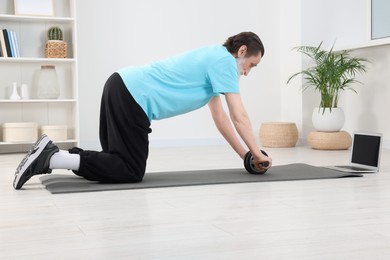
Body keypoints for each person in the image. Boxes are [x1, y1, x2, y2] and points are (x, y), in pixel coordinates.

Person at [13, 31, 273, 190]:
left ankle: (52, 155)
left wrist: (246, 157)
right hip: (132, 96)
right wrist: (257, 152)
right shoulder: (224, 62)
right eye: (250, 64)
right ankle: (52, 158)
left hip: (121, 85)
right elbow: (240, 116)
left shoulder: (214, 60)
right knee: (130, 170)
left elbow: (221, 118)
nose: (247, 72)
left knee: (116, 161)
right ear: (241, 51)